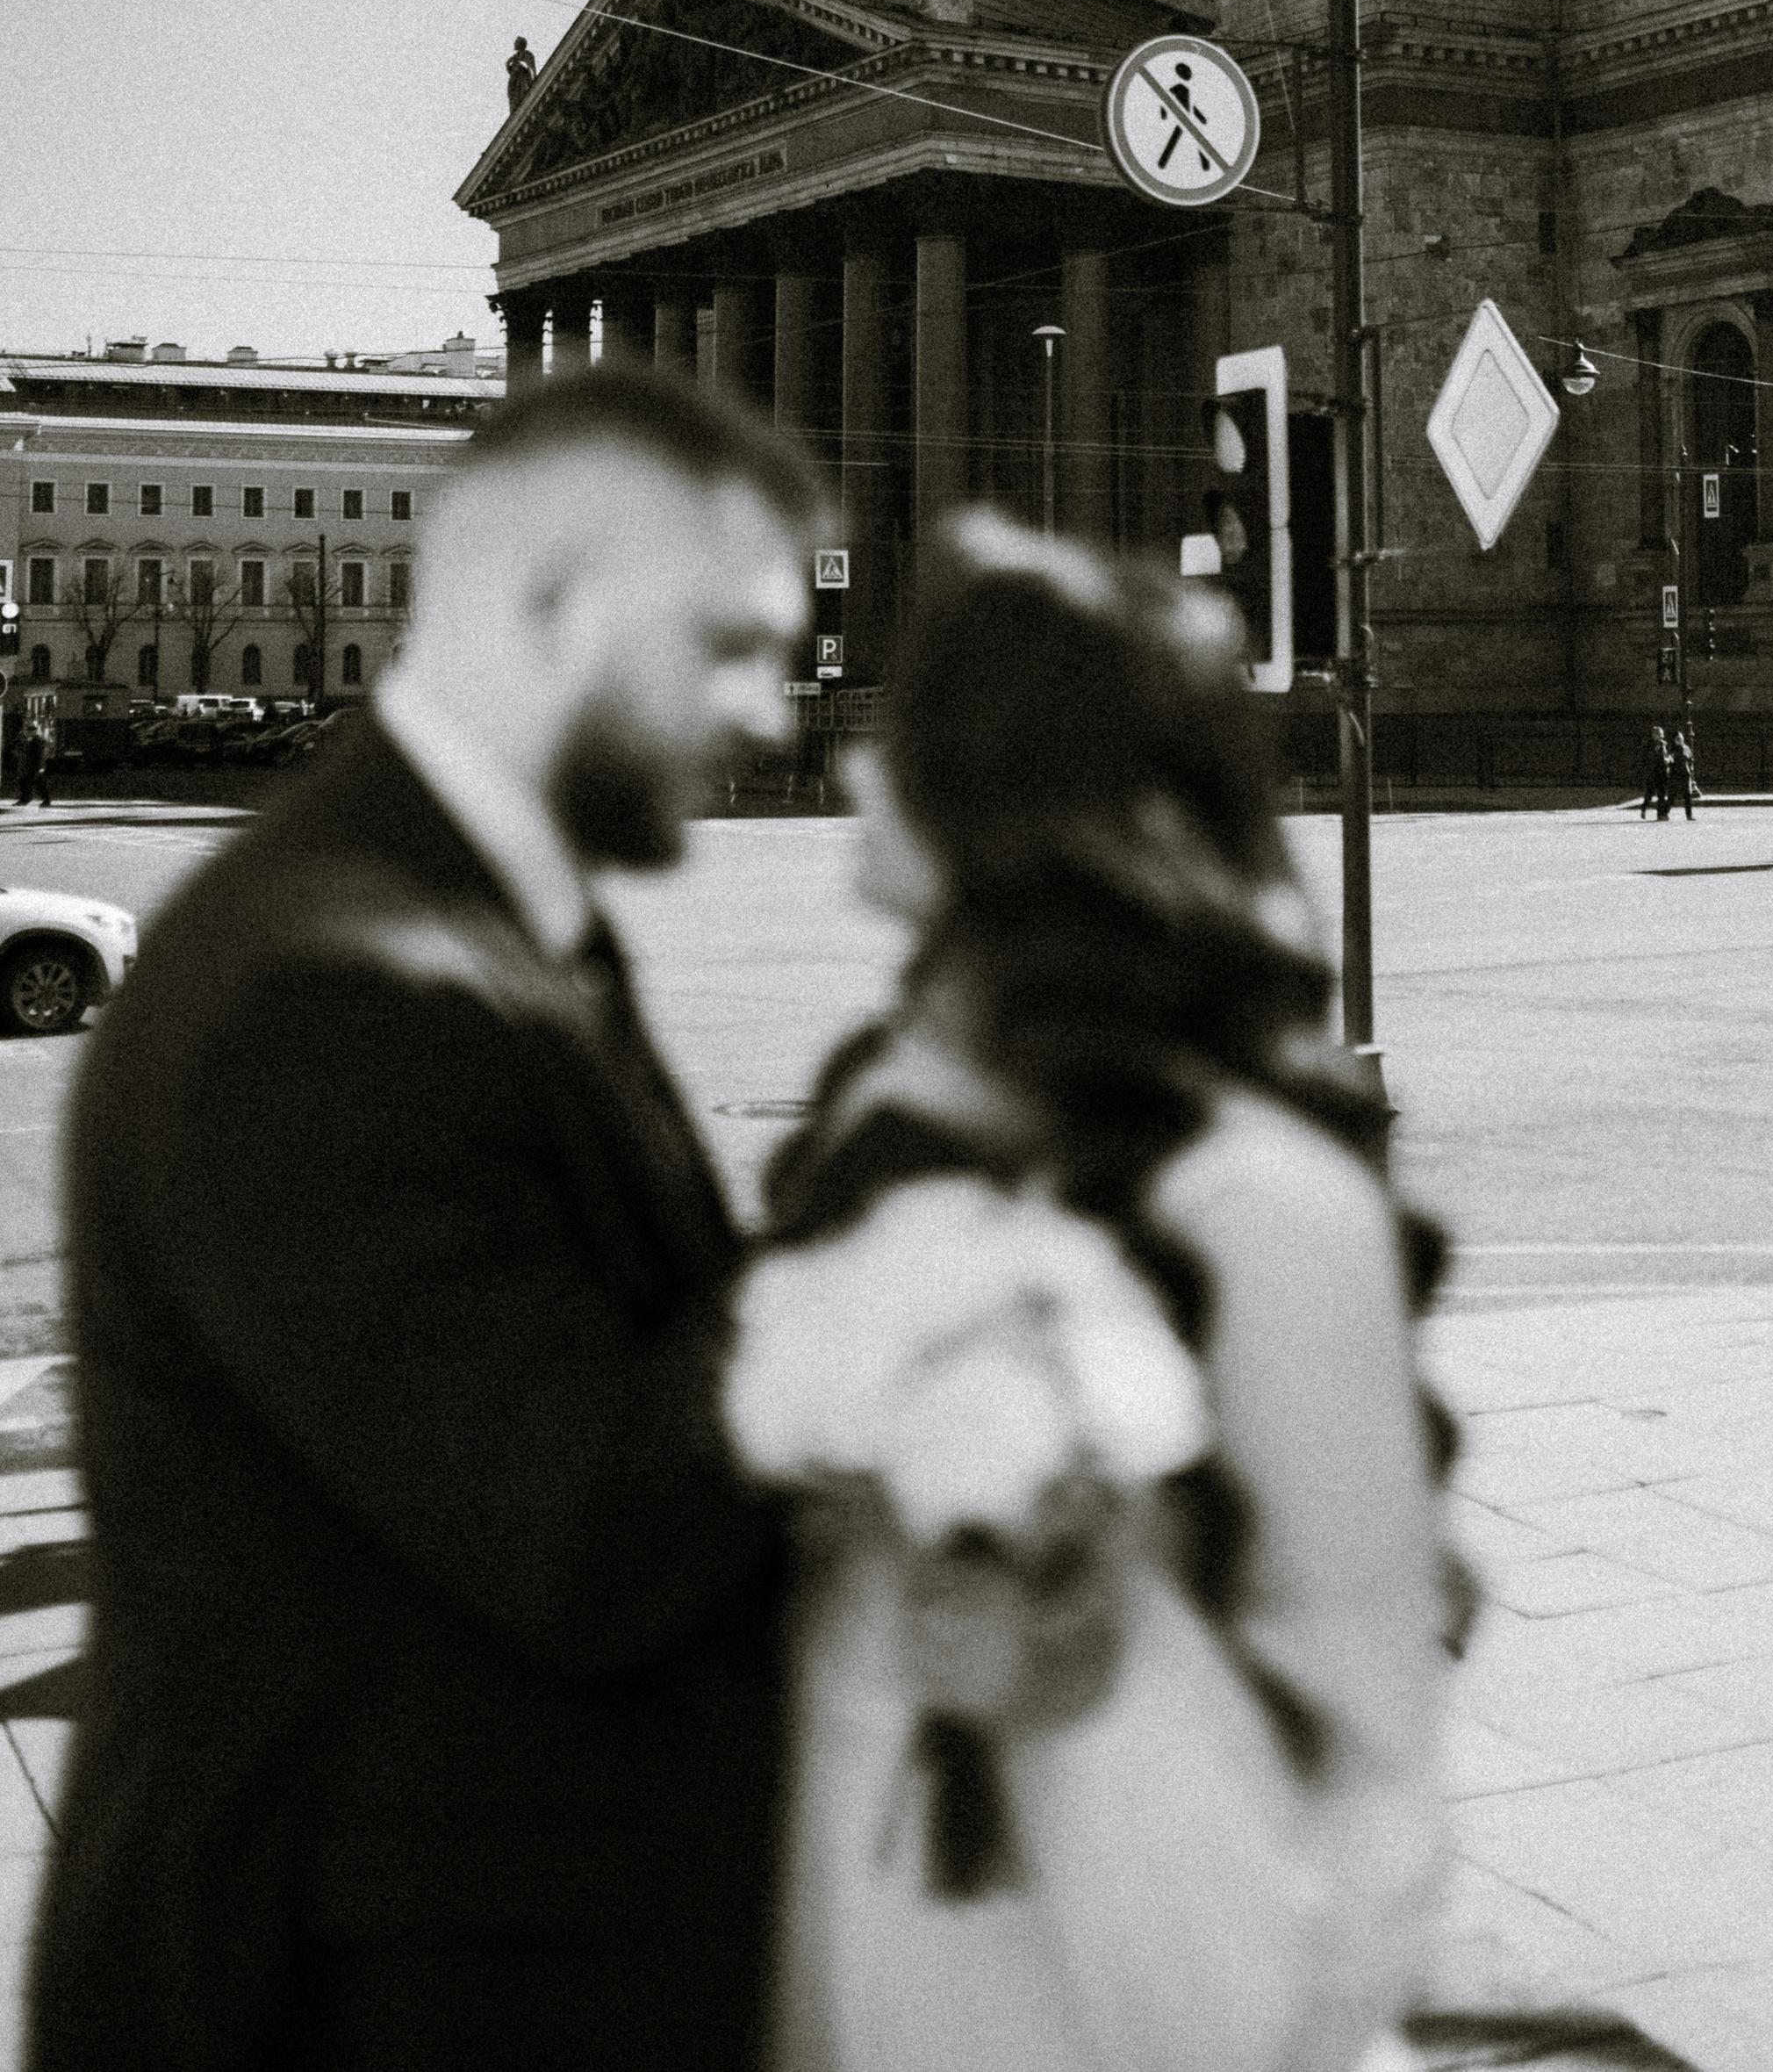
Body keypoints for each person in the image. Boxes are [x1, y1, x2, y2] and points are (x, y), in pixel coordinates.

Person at [31, 366, 821, 2072]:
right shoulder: (330, 991)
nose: (775, 709)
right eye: (732, 645)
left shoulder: (454, 915)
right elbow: (584, 1526)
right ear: (555, 607)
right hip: (352, 2006)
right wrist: (866, 1258)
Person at [738, 516, 1454, 2072]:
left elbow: (1373, 1741)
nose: (856, 765)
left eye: (903, 734)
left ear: (1003, 794)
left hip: (1121, 1973)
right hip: (862, 1914)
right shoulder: (879, 1103)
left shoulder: (1260, 1202)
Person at [13, 697, 56, 808]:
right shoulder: (26, 740)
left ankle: (45, 800)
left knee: (39, 783)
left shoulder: (38, 741)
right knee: (25, 782)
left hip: (35, 766)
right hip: (27, 766)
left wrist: (40, 767)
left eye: (28, 731)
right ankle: (26, 798)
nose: (26, 733)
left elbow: (40, 755)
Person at [1666, 723, 1698, 823]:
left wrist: (1691, 769)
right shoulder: (1673, 750)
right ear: (1674, 740)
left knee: (1687, 795)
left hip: (1685, 773)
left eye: (1681, 738)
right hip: (1675, 774)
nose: (1680, 740)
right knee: (1672, 795)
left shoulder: (1686, 748)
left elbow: (1691, 759)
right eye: (1678, 739)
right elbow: (1669, 760)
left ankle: (1689, 815)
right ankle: (1664, 812)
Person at [1638, 721, 1669, 820]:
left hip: (1662, 772)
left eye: (1660, 735)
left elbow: (1668, 756)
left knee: (1662, 794)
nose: (1659, 737)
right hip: (1653, 772)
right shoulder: (1649, 746)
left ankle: (1660, 814)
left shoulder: (1664, 745)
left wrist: (1668, 760)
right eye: (1657, 735)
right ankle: (1644, 808)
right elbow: (1647, 758)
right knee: (1650, 793)